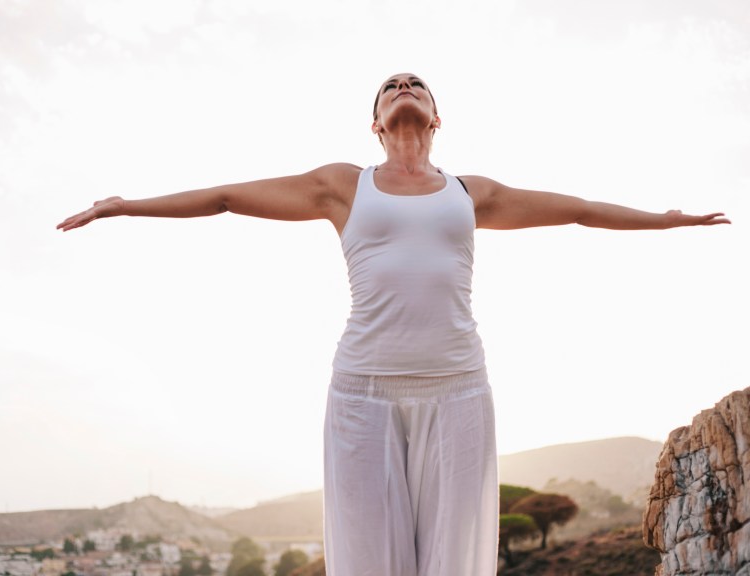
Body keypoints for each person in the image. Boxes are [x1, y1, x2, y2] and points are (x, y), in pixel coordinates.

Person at [56, 73, 729, 576]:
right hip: (363, 392)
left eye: (416, 84)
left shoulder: (470, 193)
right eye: (389, 87)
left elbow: (577, 209)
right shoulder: (342, 185)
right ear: (375, 124)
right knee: (367, 560)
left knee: (454, 559)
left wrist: (662, 220)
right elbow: (227, 197)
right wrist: (126, 205)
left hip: (458, 389)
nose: (403, 87)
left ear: (437, 116)